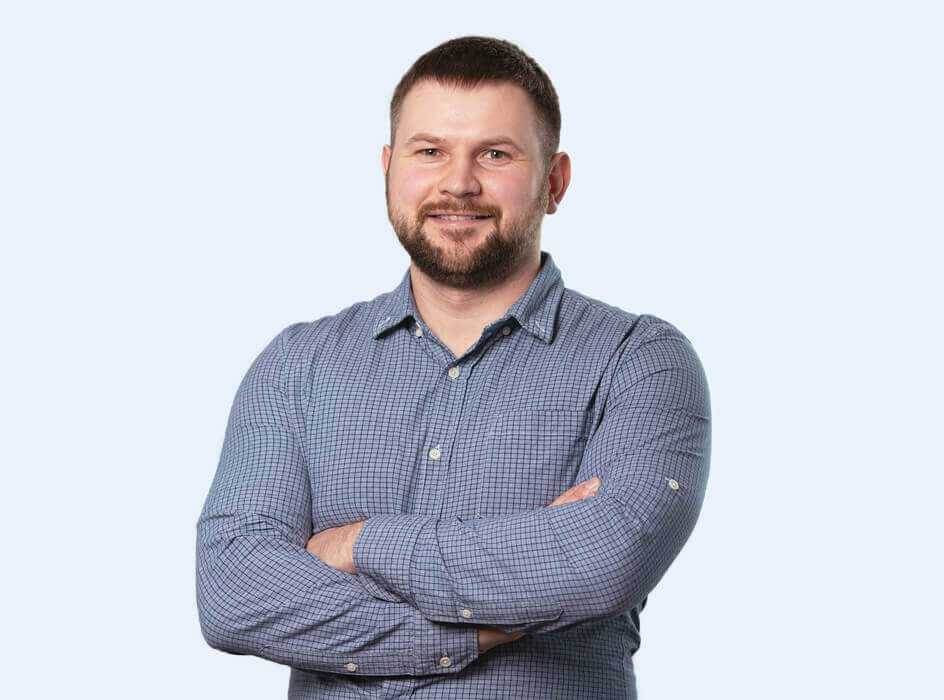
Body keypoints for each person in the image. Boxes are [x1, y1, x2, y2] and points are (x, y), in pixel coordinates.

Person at [196, 36, 711, 699]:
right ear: (389, 168)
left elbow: (604, 561)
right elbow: (235, 594)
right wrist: (481, 627)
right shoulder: (297, 365)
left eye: (495, 154)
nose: (458, 182)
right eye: (429, 151)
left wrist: (357, 545)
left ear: (554, 182)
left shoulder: (639, 362)